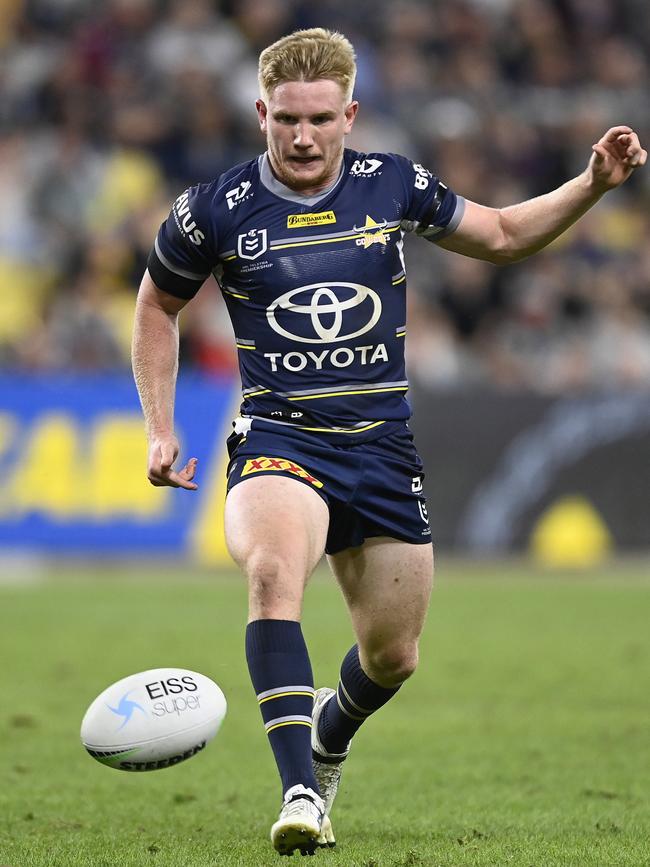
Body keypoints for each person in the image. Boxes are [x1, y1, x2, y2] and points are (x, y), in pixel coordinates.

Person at [131, 27, 646, 856]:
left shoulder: (393, 185)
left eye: (322, 119)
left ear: (350, 114)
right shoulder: (215, 209)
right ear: (261, 113)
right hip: (279, 437)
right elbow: (157, 304)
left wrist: (591, 184)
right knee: (271, 570)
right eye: (287, 119)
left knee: (394, 655)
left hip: (381, 451)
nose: (303, 137)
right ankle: (299, 790)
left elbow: (506, 236)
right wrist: (159, 426)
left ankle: (327, 744)